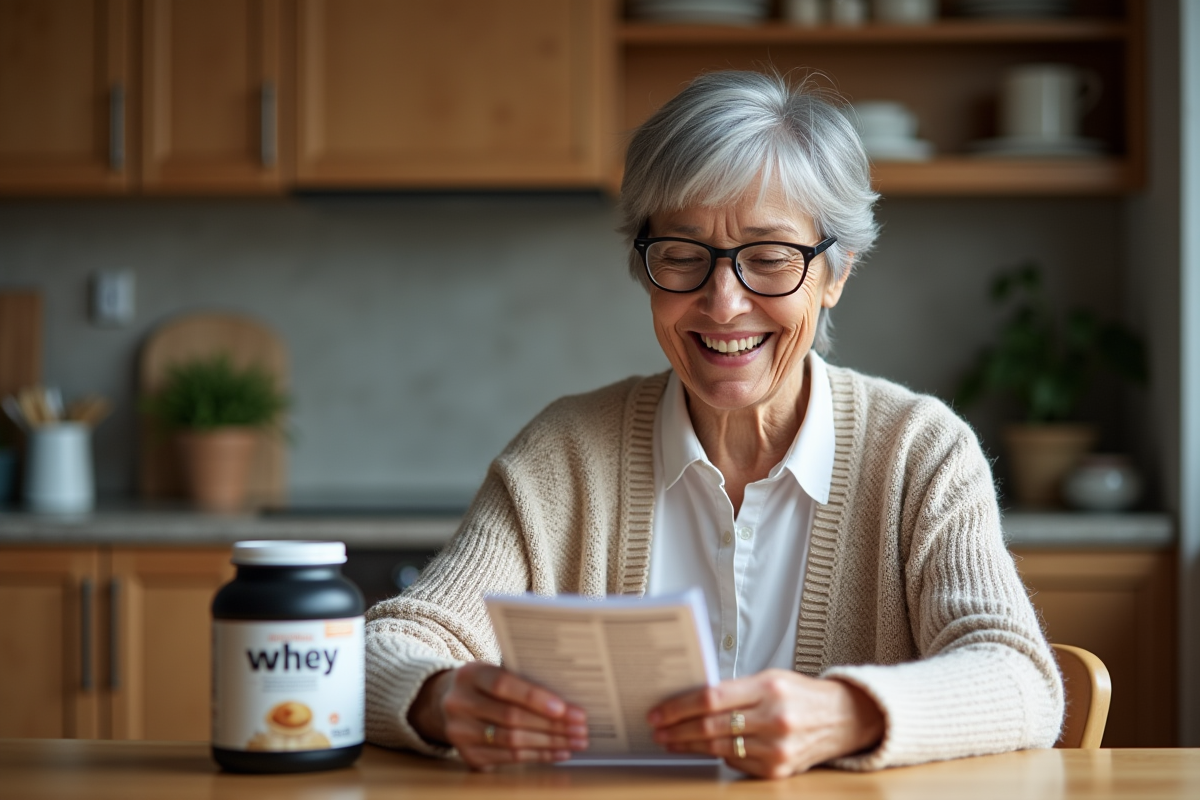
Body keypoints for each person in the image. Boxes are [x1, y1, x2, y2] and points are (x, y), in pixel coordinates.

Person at [364, 70, 1063, 779]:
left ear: (836, 272)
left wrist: (847, 714)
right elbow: (387, 644)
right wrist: (438, 698)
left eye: (768, 258)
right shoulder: (564, 454)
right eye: (682, 255)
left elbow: (1019, 679)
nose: (722, 303)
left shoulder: (919, 452)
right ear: (645, 267)